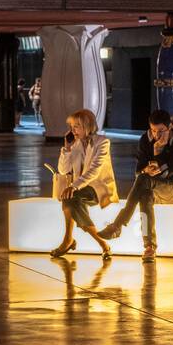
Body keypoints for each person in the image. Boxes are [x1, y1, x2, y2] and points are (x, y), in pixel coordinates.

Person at [97, 109, 173, 263]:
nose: (157, 135)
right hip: (152, 186)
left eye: (161, 131)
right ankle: (149, 247)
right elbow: (138, 170)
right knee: (145, 194)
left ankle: (118, 224)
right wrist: (146, 169)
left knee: (144, 180)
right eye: (153, 130)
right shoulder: (145, 139)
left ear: (170, 127)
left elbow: (170, 171)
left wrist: (157, 151)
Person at [50, 109, 116, 260]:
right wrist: (66, 149)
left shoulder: (103, 142)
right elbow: (63, 170)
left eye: (76, 126)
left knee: (70, 197)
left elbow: (94, 171)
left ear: (87, 126)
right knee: (69, 199)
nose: (73, 130)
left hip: (99, 188)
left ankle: (70, 240)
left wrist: (74, 186)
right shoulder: (75, 144)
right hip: (81, 188)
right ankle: (100, 244)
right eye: (71, 127)